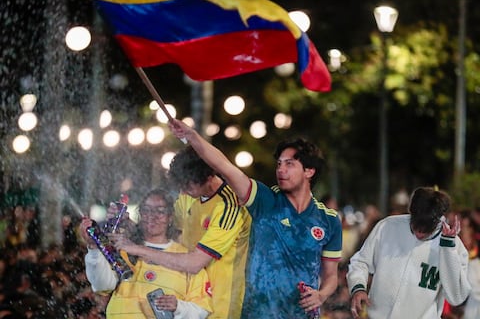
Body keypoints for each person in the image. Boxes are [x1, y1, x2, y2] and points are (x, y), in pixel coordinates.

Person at [167, 118, 343, 318]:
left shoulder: (329, 220)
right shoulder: (265, 201)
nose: (280, 170)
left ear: (309, 171)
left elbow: (331, 276)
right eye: (278, 164)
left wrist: (321, 295)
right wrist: (192, 135)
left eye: (289, 164)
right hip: (257, 313)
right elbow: (224, 166)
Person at [113, 146, 251, 319]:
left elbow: (194, 263)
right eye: (181, 186)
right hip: (186, 302)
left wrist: (138, 249)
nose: (184, 191)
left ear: (209, 178)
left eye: (188, 186)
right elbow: (162, 230)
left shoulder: (229, 207)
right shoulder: (188, 196)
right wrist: (127, 221)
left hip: (219, 307)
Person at [79, 188, 212, 319]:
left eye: (160, 211)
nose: (151, 216)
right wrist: (93, 248)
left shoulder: (187, 259)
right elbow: (102, 286)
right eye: (146, 210)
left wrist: (178, 307)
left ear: (170, 217)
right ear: (140, 213)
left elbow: (202, 310)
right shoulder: (124, 247)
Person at [347, 186, 471, 319]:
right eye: (416, 226)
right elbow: (360, 262)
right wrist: (358, 287)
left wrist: (448, 248)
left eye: (425, 230)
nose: (419, 233)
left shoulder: (454, 246)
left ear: (439, 220)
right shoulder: (387, 227)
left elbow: (457, 297)